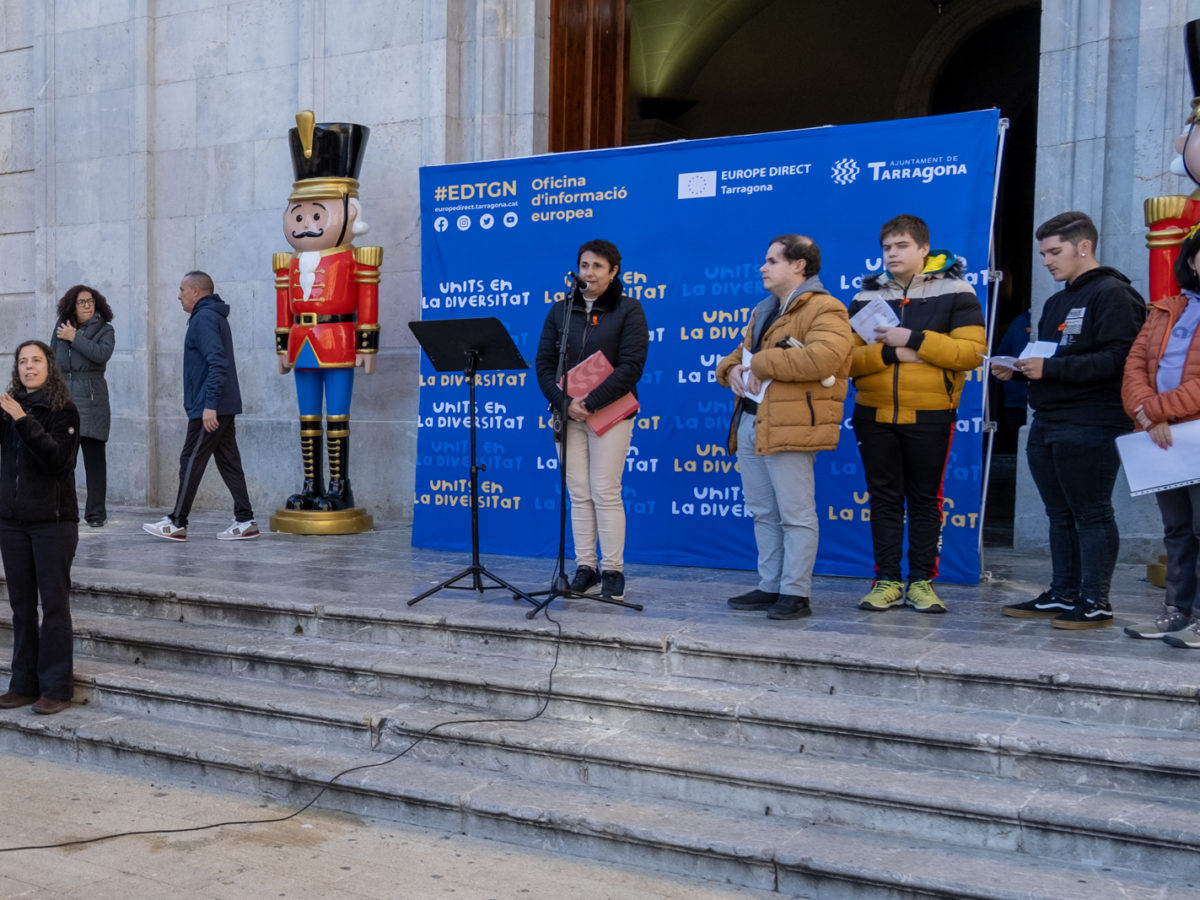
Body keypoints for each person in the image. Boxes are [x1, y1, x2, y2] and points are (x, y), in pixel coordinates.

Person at [994, 211, 1146, 628]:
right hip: (1047, 419)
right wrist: (1020, 365)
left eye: (1054, 251)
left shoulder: (1114, 294)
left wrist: (1051, 369)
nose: (1045, 260)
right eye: (1042, 252)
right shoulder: (1057, 301)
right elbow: (1051, 354)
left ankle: (1096, 601)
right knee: (1058, 513)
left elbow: (1121, 359)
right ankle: (1064, 592)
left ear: (1084, 247)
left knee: (1091, 512)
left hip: (1093, 421)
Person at [848, 215, 985, 613]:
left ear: (924, 249)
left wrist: (914, 340)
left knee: (925, 501)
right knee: (884, 500)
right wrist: (892, 352)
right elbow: (847, 361)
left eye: (901, 246)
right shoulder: (864, 296)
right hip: (873, 414)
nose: (892, 253)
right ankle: (887, 580)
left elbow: (969, 354)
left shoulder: (958, 290)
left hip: (930, 413)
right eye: (887, 247)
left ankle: (921, 582)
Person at [715, 234, 852, 620]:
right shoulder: (764, 309)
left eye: (772, 260)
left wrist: (757, 365)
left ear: (799, 265)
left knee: (795, 513)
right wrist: (730, 372)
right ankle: (770, 585)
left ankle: (796, 592)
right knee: (763, 511)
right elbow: (736, 356)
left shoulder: (827, 308)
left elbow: (825, 358)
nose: (763, 267)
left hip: (792, 424)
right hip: (751, 420)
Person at [274, 112, 381, 514]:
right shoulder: (287, 263)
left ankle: (339, 485)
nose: (304, 225)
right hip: (302, 343)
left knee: (337, 417)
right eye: (299, 215)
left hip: (339, 341)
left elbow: (367, 300)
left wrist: (367, 344)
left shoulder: (355, 260)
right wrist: (282, 345)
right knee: (307, 419)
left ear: (349, 215)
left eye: (316, 216)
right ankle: (310, 483)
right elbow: (283, 305)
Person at [535, 239, 648, 601]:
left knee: (604, 490)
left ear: (614, 271)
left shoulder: (629, 310)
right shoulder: (561, 312)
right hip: (568, 414)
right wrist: (565, 403)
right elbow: (543, 367)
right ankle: (586, 567)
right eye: (584, 265)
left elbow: (631, 366)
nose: (589, 273)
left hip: (610, 414)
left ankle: (613, 569)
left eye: (598, 266)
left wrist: (592, 401)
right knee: (578, 493)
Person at [1121, 224, 1200, 648]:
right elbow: (1134, 367)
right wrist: (1148, 416)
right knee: (1177, 531)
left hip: (1188, 433)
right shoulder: (1165, 309)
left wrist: (1154, 410)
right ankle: (1177, 612)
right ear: (1191, 260)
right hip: (1165, 440)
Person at [142, 272, 258, 542]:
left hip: (210, 407)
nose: (179, 295)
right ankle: (245, 520)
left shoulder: (204, 318)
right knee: (229, 462)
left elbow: (218, 363)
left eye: (182, 289)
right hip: (220, 405)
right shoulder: (212, 316)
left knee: (191, 460)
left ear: (196, 291)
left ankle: (177, 522)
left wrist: (209, 406)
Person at [0, 340, 80, 715]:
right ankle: (23, 684)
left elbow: (58, 461)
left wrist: (22, 420)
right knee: (20, 608)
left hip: (53, 523)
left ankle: (56, 687)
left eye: (36, 361)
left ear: (49, 366)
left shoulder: (64, 411)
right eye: (22, 362)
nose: (28, 367)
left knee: (54, 606)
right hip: (13, 524)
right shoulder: (8, 409)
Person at [51, 284, 115, 527]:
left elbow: (100, 354)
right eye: (82, 302)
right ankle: (65, 510)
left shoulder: (105, 330)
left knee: (95, 460)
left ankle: (96, 514)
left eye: (90, 301)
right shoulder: (61, 327)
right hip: (64, 400)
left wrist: (74, 338)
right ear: (72, 306)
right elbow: (50, 359)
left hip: (92, 400)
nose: (87, 305)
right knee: (65, 460)